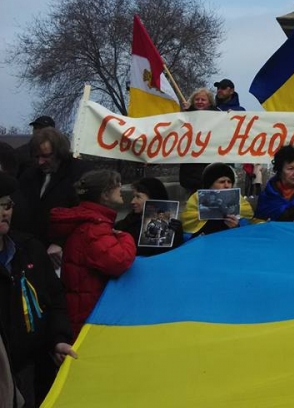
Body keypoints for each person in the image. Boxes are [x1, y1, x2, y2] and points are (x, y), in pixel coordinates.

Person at [0, 173, 76, 407]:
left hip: (30, 370)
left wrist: (58, 339)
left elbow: (53, 299)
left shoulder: (29, 248)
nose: (4, 212)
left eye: (7, 205)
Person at [49, 170, 136, 339]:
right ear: (104, 195)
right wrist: (125, 237)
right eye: (117, 185)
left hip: (83, 308)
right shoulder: (94, 228)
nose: (121, 189)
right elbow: (119, 261)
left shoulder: (90, 221)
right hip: (90, 314)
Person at [15, 127, 91, 268]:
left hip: (66, 254)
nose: (40, 162)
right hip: (32, 250)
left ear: (59, 152)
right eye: (37, 157)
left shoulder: (80, 173)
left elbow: (84, 212)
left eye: (45, 156)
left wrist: (60, 242)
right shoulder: (30, 175)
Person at [180, 163, 256, 238]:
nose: (227, 185)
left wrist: (236, 226)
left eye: (229, 182)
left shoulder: (240, 202)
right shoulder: (195, 201)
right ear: (210, 184)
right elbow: (187, 233)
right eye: (222, 182)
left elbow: (248, 232)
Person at [115, 177, 184, 257]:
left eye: (138, 197)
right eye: (134, 197)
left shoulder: (173, 225)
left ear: (153, 199)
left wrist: (177, 235)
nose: (132, 201)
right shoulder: (130, 220)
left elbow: (174, 254)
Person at [179, 88, 219, 196]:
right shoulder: (185, 118)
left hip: (211, 169)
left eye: (203, 100)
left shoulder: (219, 117)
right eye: (197, 99)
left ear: (209, 102)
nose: (200, 102)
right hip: (190, 171)